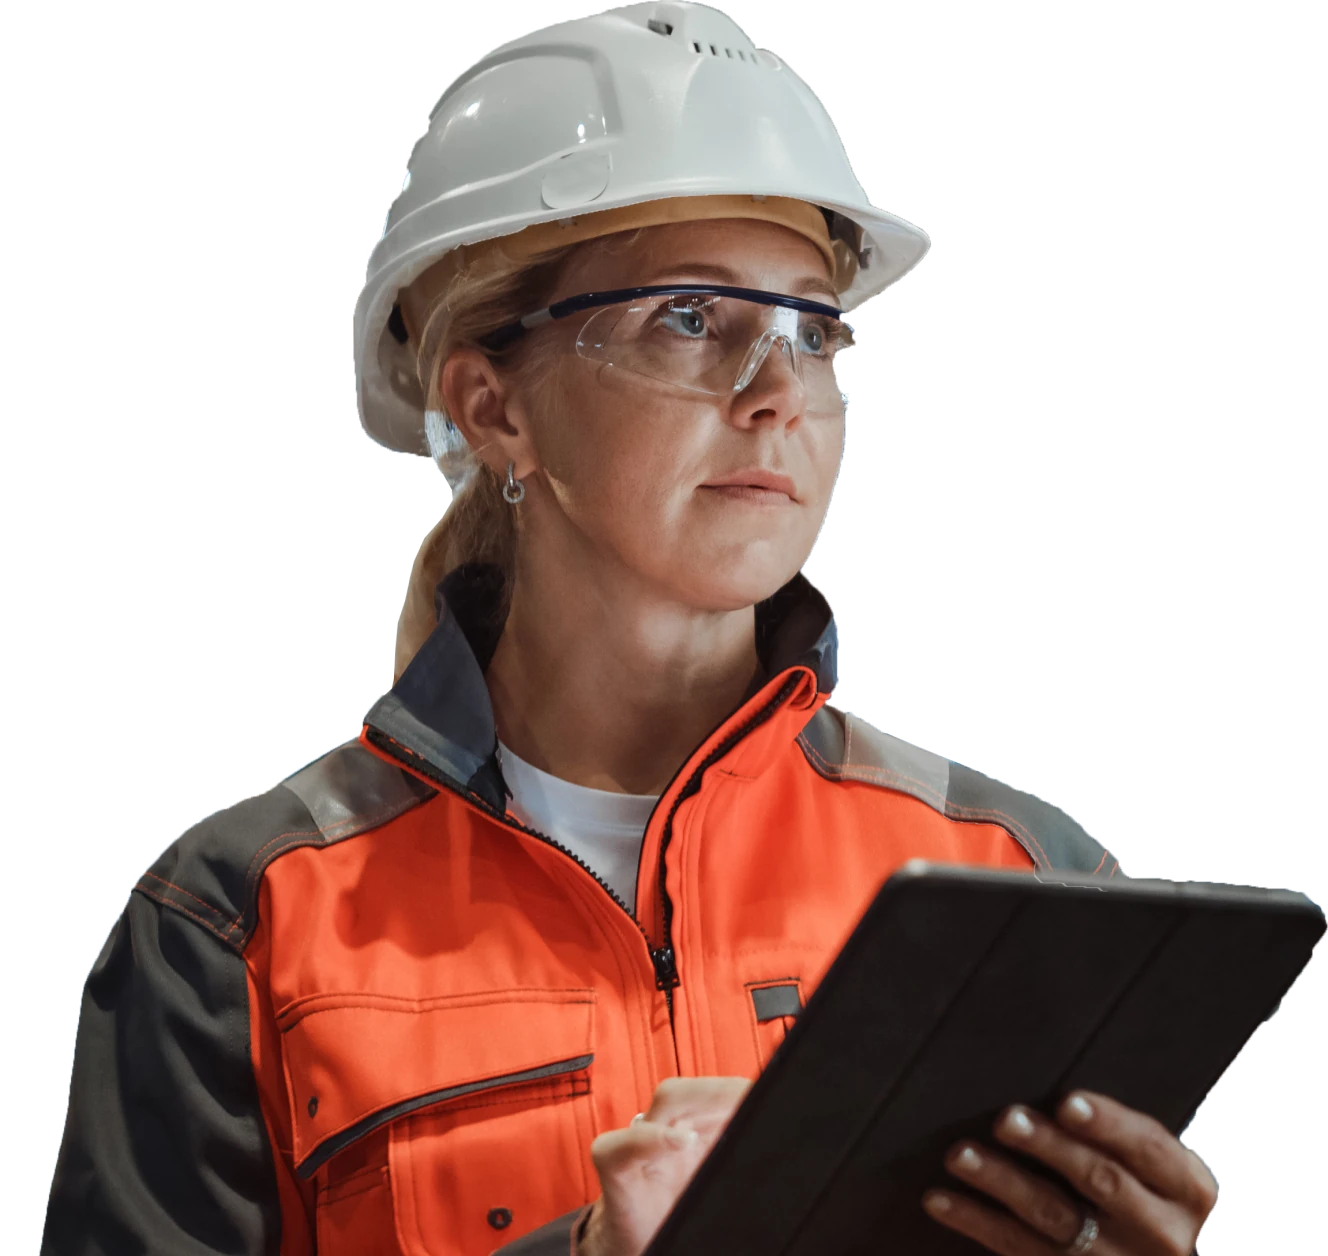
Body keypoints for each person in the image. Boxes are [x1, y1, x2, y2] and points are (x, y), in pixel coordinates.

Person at [41, 4, 1217, 1254]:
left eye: (813, 334)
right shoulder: (244, 923)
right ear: (492, 408)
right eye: (691, 318)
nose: (776, 396)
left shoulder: (1017, 880)